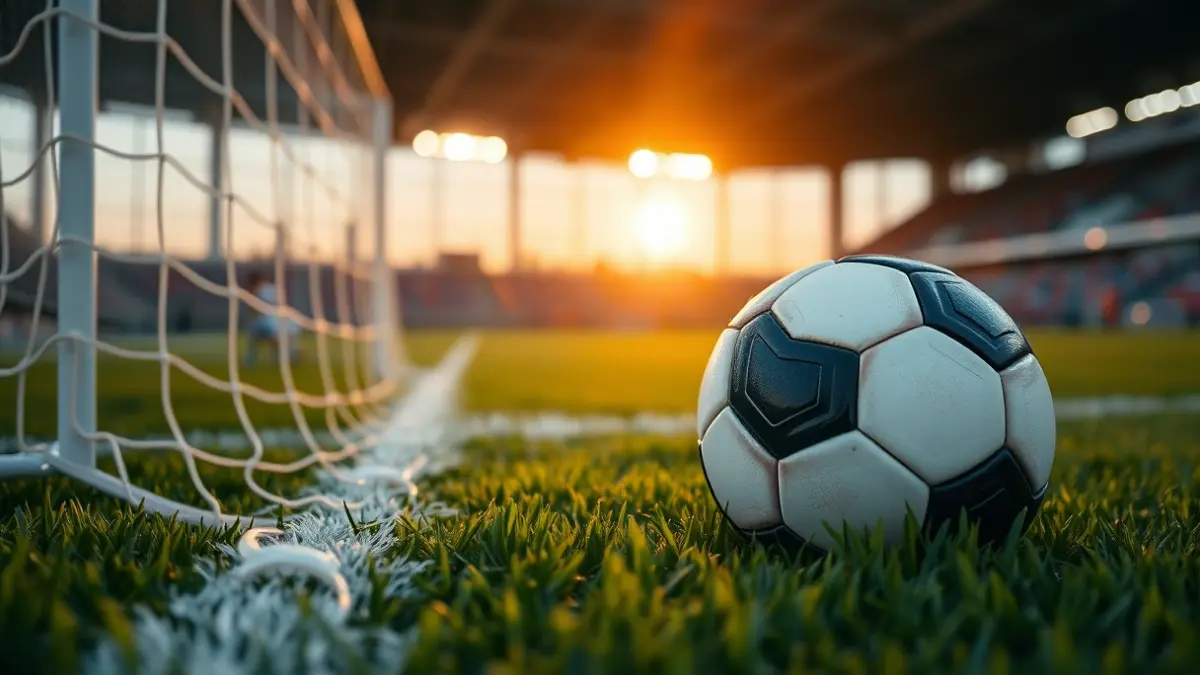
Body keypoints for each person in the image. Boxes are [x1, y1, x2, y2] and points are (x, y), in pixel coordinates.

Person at [244, 271, 300, 366]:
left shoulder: (260, 290)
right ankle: (286, 355)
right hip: (285, 321)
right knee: (273, 338)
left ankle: (252, 359)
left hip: (272, 322)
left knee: (257, 334)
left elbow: (258, 309)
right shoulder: (272, 288)